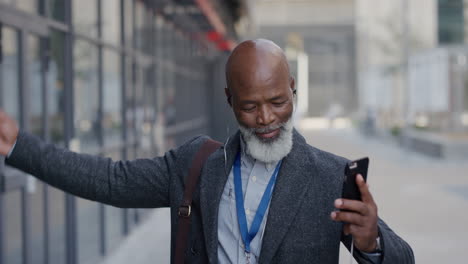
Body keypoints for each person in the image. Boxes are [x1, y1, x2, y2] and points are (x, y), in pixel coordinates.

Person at [0, 39, 414, 264]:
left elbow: (403, 261)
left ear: (293, 92)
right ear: (229, 101)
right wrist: (18, 145)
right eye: (250, 106)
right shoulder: (197, 163)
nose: (267, 118)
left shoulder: (332, 175)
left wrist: (372, 241)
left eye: (278, 102)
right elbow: (110, 180)